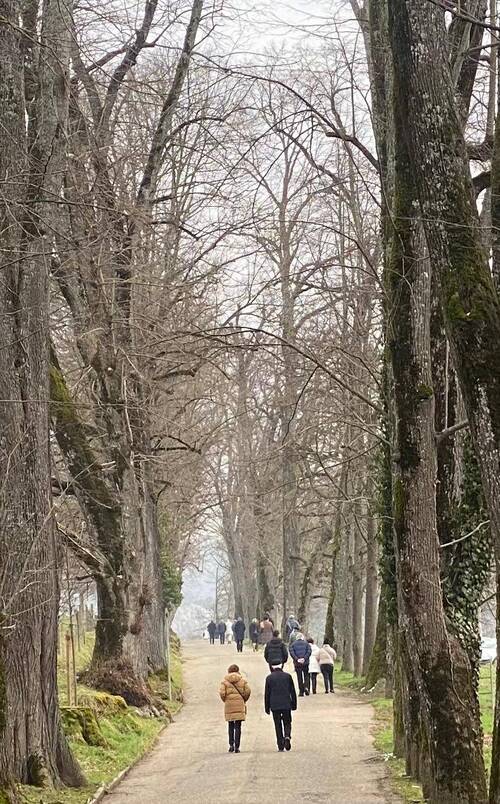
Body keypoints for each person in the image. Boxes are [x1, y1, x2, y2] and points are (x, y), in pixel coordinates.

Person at [219, 663, 251, 753]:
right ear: (238, 671)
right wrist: (244, 699)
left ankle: (231, 745)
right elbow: (248, 691)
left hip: (229, 705)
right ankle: (237, 746)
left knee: (230, 725)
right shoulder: (243, 681)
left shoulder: (224, 682)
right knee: (238, 726)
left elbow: (222, 693)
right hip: (239, 704)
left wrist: (225, 700)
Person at [264, 664, 297, 752]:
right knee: (287, 721)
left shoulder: (269, 678)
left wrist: (267, 707)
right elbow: (292, 691)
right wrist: (294, 704)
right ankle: (287, 735)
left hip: (274, 705)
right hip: (286, 703)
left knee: (277, 724)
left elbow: (267, 693)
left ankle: (280, 744)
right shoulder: (287, 676)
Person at [289, 632, 312, 697]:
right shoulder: (307, 644)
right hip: (305, 662)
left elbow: (291, 652)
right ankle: (306, 687)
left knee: (299, 677)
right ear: (302, 638)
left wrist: (297, 659)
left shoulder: (293, 645)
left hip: (297, 663)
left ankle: (301, 692)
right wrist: (304, 658)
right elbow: (309, 651)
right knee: (306, 675)